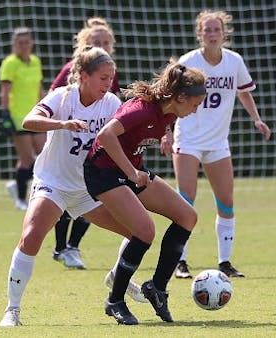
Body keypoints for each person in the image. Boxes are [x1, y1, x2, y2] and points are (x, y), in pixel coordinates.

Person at [0, 46, 145, 328]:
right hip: (53, 183)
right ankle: (12, 310)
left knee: (139, 233)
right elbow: (29, 121)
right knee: (31, 237)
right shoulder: (63, 96)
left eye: (111, 77)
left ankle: (117, 275)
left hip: (89, 188)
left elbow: (130, 131)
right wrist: (62, 124)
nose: (109, 83)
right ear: (83, 76)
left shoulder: (112, 103)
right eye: (103, 77)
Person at [83, 60, 207, 325]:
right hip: (103, 173)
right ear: (181, 96)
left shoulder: (171, 111)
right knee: (144, 231)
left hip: (131, 171)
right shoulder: (141, 110)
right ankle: (115, 301)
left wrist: (166, 135)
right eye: (195, 105)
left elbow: (162, 123)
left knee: (187, 217)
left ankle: (157, 288)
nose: (196, 110)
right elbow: (106, 135)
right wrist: (129, 172)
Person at [166, 10, 271, 279]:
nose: (212, 34)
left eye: (216, 29)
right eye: (207, 30)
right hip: (188, 138)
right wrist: (166, 132)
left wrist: (257, 120)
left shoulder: (234, 61)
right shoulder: (189, 61)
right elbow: (168, 97)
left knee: (226, 201)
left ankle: (225, 262)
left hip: (217, 142)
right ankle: (180, 262)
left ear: (224, 33)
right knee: (185, 201)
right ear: (199, 34)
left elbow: (244, 92)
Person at [49, 17, 119, 269]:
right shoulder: (72, 71)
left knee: (94, 196)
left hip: (94, 148)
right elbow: (53, 99)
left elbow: (116, 110)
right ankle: (61, 247)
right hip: (68, 148)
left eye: (105, 42)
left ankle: (72, 247)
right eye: (95, 41)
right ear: (84, 44)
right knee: (67, 197)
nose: (101, 45)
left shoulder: (110, 73)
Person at [0, 26, 46, 211]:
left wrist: (46, 107)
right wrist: (5, 113)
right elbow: (5, 91)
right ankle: (20, 198)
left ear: (32, 43)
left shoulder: (35, 61)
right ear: (14, 44)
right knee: (26, 158)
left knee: (43, 153)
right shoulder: (10, 63)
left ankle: (18, 184)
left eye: (27, 42)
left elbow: (39, 88)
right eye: (20, 43)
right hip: (18, 116)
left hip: (35, 114)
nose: (24, 46)